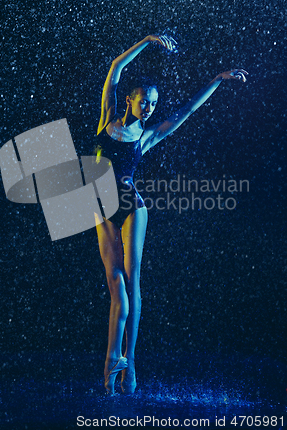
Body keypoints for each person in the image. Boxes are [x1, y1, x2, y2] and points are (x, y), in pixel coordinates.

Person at [95, 34, 248, 395]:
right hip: (100, 207)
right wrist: (148, 41)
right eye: (143, 101)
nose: (148, 108)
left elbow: (186, 112)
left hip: (133, 207)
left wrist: (216, 80)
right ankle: (111, 361)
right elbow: (116, 68)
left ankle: (128, 366)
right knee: (115, 284)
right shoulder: (106, 121)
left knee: (132, 282)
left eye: (152, 104)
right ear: (130, 99)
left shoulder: (145, 137)